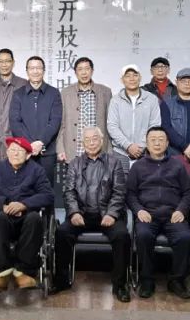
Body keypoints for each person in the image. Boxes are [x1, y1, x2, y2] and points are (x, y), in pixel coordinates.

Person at [52, 126, 131, 301]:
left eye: (95, 139)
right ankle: (61, 280)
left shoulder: (114, 163)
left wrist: (111, 214)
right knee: (62, 232)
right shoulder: (75, 163)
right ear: (83, 143)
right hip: (82, 213)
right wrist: (74, 213)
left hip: (107, 214)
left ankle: (120, 285)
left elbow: (119, 192)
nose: (91, 143)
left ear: (101, 141)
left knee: (121, 236)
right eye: (87, 140)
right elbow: (69, 192)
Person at [0, 137, 55, 291]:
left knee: (35, 219)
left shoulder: (36, 170)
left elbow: (48, 195)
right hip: (2, 215)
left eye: (20, 151)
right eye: (12, 150)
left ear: (28, 155)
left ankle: (23, 272)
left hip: (26, 215)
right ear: (7, 152)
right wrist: (3, 205)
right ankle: (0, 273)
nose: (15, 154)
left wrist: (24, 204)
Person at [127, 127, 190, 299]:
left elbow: (188, 193)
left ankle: (177, 280)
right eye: (153, 140)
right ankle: (146, 280)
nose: (157, 143)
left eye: (161, 139)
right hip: (147, 215)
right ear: (147, 143)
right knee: (143, 236)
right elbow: (130, 194)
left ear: (167, 143)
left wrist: (181, 210)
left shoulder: (178, 165)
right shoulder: (137, 167)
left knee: (185, 238)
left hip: (173, 214)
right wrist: (139, 210)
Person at [9, 56, 63, 195]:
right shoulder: (18, 94)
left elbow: (55, 121)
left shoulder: (54, 93)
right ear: (27, 71)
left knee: (47, 191)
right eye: (32, 68)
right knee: (25, 192)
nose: (35, 71)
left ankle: (48, 211)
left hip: (47, 153)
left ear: (43, 70)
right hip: (25, 153)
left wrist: (40, 142)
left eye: (38, 68)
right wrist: (30, 145)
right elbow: (15, 122)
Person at [57, 56, 112, 164]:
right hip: (73, 150)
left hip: (99, 150)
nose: (84, 73)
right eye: (80, 69)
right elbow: (61, 124)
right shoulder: (66, 93)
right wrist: (60, 148)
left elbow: (109, 123)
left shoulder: (105, 92)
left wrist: (109, 150)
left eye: (87, 69)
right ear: (75, 72)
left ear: (92, 71)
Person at [107, 64, 162, 168]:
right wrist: (128, 146)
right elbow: (112, 126)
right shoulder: (115, 100)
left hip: (145, 152)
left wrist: (142, 146)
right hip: (120, 153)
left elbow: (155, 125)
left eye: (135, 75)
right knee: (120, 179)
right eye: (127, 76)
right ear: (122, 80)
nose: (132, 79)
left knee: (145, 178)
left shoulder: (151, 99)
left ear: (140, 77)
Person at [0, 48, 29, 163]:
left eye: (7, 61)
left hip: (16, 143)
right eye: (1, 61)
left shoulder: (24, 84)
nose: (4, 65)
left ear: (13, 63)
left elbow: (29, 116)